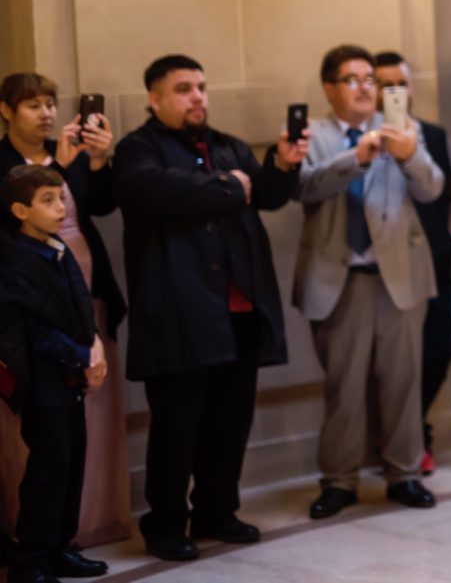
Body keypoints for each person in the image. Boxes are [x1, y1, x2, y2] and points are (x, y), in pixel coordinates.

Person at [113, 54, 306, 562]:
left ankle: (218, 511)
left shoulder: (228, 145)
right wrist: (228, 186)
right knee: (177, 427)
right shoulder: (137, 150)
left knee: (230, 422)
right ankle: (166, 525)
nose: (197, 96)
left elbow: (264, 195)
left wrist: (281, 165)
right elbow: (155, 190)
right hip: (181, 315)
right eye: (183, 89)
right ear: (154, 99)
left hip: (239, 313)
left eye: (201, 87)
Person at [295, 45, 442, 520]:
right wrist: (353, 159)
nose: (364, 88)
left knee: (404, 382)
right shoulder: (312, 134)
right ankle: (339, 480)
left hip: (398, 276)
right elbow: (305, 186)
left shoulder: (402, 126)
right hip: (341, 279)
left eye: (369, 80)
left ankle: (404, 475)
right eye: (352, 79)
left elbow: (432, 188)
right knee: (345, 387)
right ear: (329, 88)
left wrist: (409, 154)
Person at [0, 75, 129, 553]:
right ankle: (31, 543)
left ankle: (76, 532)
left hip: (79, 287)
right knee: (45, 440)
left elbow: (94, 205)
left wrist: (93, 162)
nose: (47, 113)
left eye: (51, 104)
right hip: (31, 307)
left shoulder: (65, 152)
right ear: (7, 111)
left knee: (81, 429)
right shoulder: (6, 171)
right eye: (33, 105)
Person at [0, 165, 108, 583]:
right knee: (48, 468)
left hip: (70, 378)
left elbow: (82, 304)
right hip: (44, 382)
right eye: (48, 200)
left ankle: (62, 547)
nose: (61, 208)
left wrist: (94, 345)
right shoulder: (14, 261)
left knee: (72, 463)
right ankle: (31, 558)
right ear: (19, 210)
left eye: (61, 197)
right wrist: (82, 354)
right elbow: (35, 331)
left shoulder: (57, 247)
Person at [371, 51, 451, 472]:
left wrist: (449, 237)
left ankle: (413, 428)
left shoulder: (435, 135)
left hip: (437, 263)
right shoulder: (364, 139)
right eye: (385, 84)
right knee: (394, 363)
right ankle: (408, 440)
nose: (396, 92)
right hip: (389, 269)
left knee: (440, 347)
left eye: (402, 83)